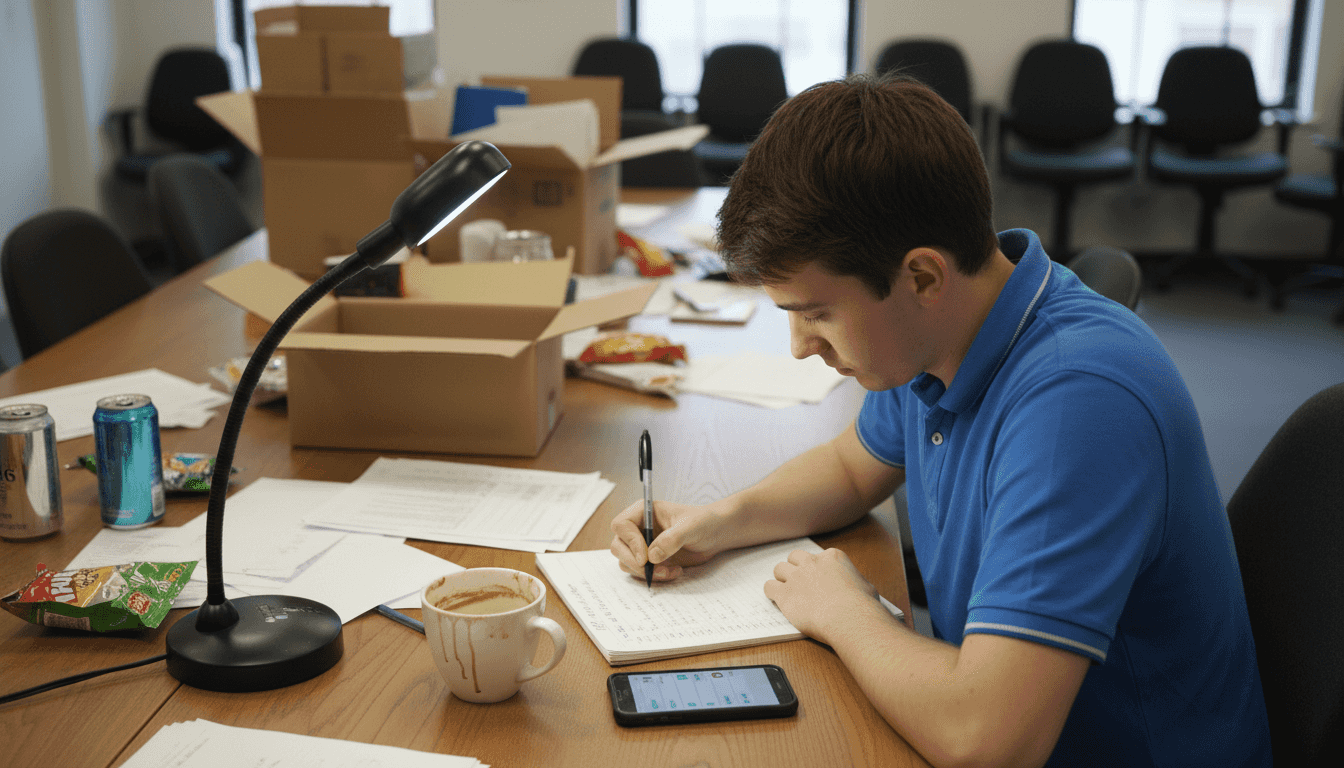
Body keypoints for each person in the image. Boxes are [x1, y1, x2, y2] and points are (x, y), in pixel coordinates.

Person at [609, 74, 1270, 767]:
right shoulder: (939, 336)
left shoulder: (1079, 403)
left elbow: (988, 740)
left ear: (921, 277)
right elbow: (848, 466)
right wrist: (721, 520)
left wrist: (844, 611)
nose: (801, 346)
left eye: (816, 313)